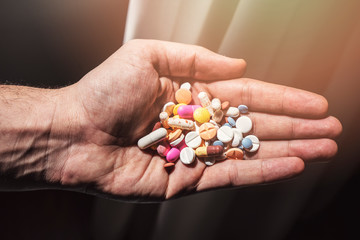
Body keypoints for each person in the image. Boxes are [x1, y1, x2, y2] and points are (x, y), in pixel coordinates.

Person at [0, 39, 342, 201]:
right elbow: (188, 133)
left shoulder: (196, 128)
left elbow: (201, 134)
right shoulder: (179, 126)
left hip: (205, 132)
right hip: (194, 131)